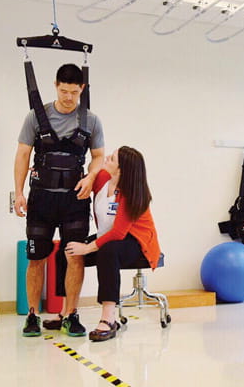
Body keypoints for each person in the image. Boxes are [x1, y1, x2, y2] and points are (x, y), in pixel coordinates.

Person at [14, 63, 105, 337]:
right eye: (64, 91)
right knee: (36, 258)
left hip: (74, 201)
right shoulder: (35, 116)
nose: (68, 97)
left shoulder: (91, 120)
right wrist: (19, 192)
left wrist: (90, 177)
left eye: (74, 92)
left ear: (82, 89)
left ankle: (71, 314)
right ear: (56, 86)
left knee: (74, 257)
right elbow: (22, 155)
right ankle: (32, 315)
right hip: (41, 200)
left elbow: (99, 156)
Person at [66, 146, 160, 342]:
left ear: (122, 170)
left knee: (107, 251)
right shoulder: (103, 178)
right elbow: (88, 176)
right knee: (70, 249)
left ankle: (108, 319)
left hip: (137, 241)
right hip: (108, 237)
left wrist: (88, 248)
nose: (107, 157)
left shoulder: (133, 194)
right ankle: (67, 313)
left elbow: (118, 233)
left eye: (113, 158)